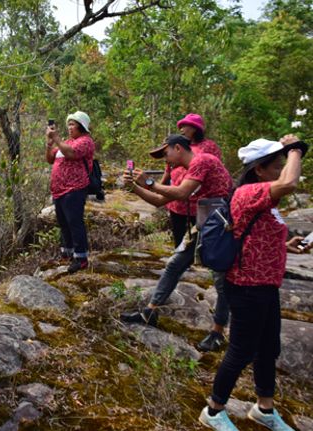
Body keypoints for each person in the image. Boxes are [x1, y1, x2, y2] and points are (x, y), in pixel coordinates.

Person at [199, 135, 310, 431]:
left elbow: (256, 234)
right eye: (277, 165)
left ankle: (264, 409)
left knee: (268, 348)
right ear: (259, 170)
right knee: (241, 350)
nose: (281, 170)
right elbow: (289, 183)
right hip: (247, 284)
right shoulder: (249, 192)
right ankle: (213, 411)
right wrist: (296, 150)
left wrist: (287, 244)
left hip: (266, 285)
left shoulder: (265, 199)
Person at [120, 135, 233, 347]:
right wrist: (134, 187)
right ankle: (150, 312)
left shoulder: (203, 160)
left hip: (222, 226)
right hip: (204, 225)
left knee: (221, 279)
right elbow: (160, 200)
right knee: (175, 264)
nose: (165, 159)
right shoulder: (184, 171)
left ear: (178, 148)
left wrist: (150, 182)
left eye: (166, 153)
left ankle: (218, 332)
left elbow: (181, 193)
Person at [161, 113, 223, 248]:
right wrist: (161, 186)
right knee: (178, 233)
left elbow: (216, 168)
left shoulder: (209, 146)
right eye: (181, 127)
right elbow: (168, 168)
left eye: (185, 126)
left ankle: (199, 260)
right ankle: (180, 259)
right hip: (177, 199)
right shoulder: (178, 145)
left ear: (195, 128)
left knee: (201, 235)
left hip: (199, 201)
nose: (182, 129)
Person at [45, 111, 95, 274]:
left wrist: (57, 139)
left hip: (75, 189)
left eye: (72, 124)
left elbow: (71, 153)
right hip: (59, 190)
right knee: (63, 223)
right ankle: (67, 253)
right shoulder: (67, 142)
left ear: (81, 126)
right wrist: (49, 143)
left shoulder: (85, 142)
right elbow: (50, 159)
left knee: (74, 223)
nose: (69, 128)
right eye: (69, 124)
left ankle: (81, 258)